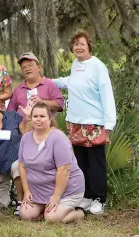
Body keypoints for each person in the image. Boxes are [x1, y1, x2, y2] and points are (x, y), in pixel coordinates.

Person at [51, 30, 117, 215]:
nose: (78, 47)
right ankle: (87, 196)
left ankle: (99, 198)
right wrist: (48, 82)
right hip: (76, 122)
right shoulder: (75, 64)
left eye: (82, 43)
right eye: (75, 44)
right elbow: (71, 82)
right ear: (72, 48)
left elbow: (106, 94)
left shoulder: (97, 66)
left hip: (94, 123)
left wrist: (109, 123)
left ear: (89, 46)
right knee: (80, 162)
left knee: (96, 162)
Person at [18, 102, 86, 223]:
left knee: (51, 218)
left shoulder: (58, 138)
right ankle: (46, 209)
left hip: (66, 190)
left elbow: (64, 170)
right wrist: (27, 191)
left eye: (42, 116)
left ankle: (79, 212)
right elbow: (22, 166)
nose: (38, 119)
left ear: (50, 118)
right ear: (31, 118)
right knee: (25, 214)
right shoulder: (25, 138)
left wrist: (56, 197)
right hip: (39, 191)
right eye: (35, 116)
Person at [0, 91, 32, 216]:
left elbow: (25, 133)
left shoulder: (12, 116)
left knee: (17, 166)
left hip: (16, 161)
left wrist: (28, 118)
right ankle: (11, 193)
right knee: (0, 205)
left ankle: (20, 201)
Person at [7, 52, 64, 118]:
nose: (27, 69)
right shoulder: (18, 89)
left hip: (45, 127)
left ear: (38, 67)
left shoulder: (49, 84)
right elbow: (10, 112)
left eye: (30, 65)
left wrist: (43, 102)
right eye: (24, 67)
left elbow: (60, 105)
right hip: (23, 127)